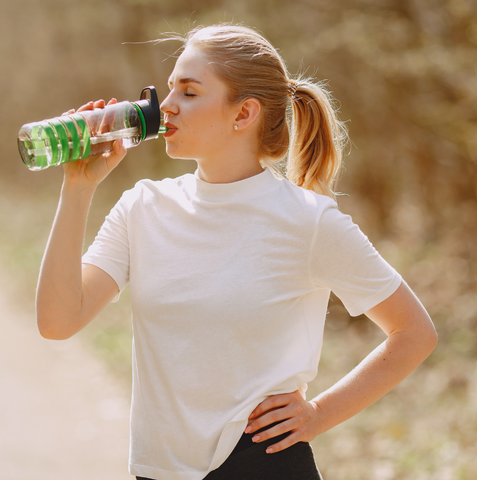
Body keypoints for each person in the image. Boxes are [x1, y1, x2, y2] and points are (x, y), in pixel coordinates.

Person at [36, 23, 438, 480]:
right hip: (158, 471)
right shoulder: (142, 207)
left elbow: (413, 332)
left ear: (243, 113)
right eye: (169, 89)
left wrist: (320, 414)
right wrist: (78, 187)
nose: (165, 106)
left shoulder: (308, 221)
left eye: (189, 92)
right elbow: (57, 321)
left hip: (262, 466)